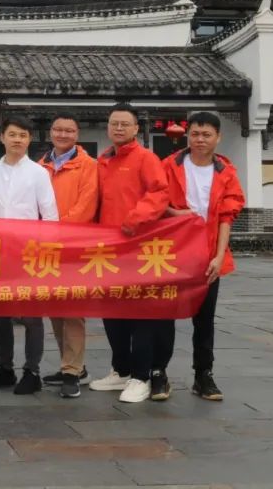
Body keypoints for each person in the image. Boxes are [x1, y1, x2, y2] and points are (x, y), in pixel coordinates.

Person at [152, 112, 244, 402]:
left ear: (218, 137)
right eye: (194, 134)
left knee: (204, 319)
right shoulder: (169, 165)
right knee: (164, 316)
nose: (200, 139)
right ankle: (159, 373)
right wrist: (176, 212)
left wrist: (219, 256)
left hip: (207, 255)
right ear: (187, 136)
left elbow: (227, 216)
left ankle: (204, 375)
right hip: (171, 254)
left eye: (206, 134)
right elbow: (155, 202)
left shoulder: (226, 172)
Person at [89, 104, 170, 403]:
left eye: (125, 124)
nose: (119, 128)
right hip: (108, 250)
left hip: (138, 246)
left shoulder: (146, 158)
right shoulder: (103, 161)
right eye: (114, 123)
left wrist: (134, 219)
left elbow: (159, 193)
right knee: (112, 312)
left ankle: (141, 376)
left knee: (140, 312)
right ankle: (121, 369)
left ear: (136, 128)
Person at [0, 116, 59, 395]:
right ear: (2, 137)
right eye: (12, 134)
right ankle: (5, 367)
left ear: (29, 140)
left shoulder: (39, 173)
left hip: (29, 251)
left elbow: (49, 214)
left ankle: (32, 371)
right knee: (0, 314)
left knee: (31, 315)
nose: (17, 139)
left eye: (23, 135)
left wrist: (47, 251)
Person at [37, 113, 99, 399]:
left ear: (77, 134)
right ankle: (71, 365)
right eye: (58, 129)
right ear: (51, 132)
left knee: (73, 311)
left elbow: (86, 205)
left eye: (69, 130)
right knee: (55, 309)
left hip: (74, 247)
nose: (63, 134)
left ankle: (72, 372)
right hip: (45, 248)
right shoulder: (40, 166)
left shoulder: (88, 166)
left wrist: (58, 232)